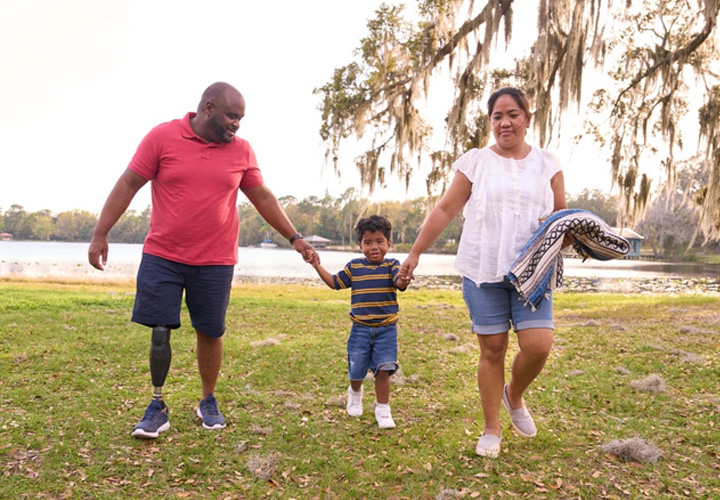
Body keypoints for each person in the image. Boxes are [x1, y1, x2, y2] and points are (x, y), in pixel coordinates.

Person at [88, 82, 317, 439]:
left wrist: (295, 237)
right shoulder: (162, 137)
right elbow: (128, 183)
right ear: (208, 108)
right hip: (163, 255)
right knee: (160, 330)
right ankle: (157, 405)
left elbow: (264, 197)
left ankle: (207, 400)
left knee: (210, 331)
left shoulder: (241, 151)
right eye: (231, 116)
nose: (237, 125)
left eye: (240, 119)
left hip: (215, 260)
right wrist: (101, 233)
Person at [399, 87, 568, 457]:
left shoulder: (548, 164)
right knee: (492, 349)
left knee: (538, 347)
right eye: (497, 116)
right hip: (483, 268)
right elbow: (445, 209)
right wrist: (415, 252)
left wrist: (577, 234)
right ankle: (492, 429)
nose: (505, 122)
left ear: (527, 118)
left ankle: (515, 394)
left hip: (532, 273)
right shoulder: (475, 161)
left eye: (513, 114)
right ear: (490, 122)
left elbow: (561, 220)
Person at [313, 215, 410, 428]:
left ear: (389, 243)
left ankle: (383, 408)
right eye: (368, 242)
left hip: (386, 330)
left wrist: (404, 278)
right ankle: (355, 393)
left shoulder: (393, 265)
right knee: (356, 370)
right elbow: (335, 283)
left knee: (383, 369)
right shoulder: (354, 267)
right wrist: (317, 265)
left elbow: (399, 283)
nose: (374, 247)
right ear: (360, 245)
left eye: (379, 241)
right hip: (360, 330)